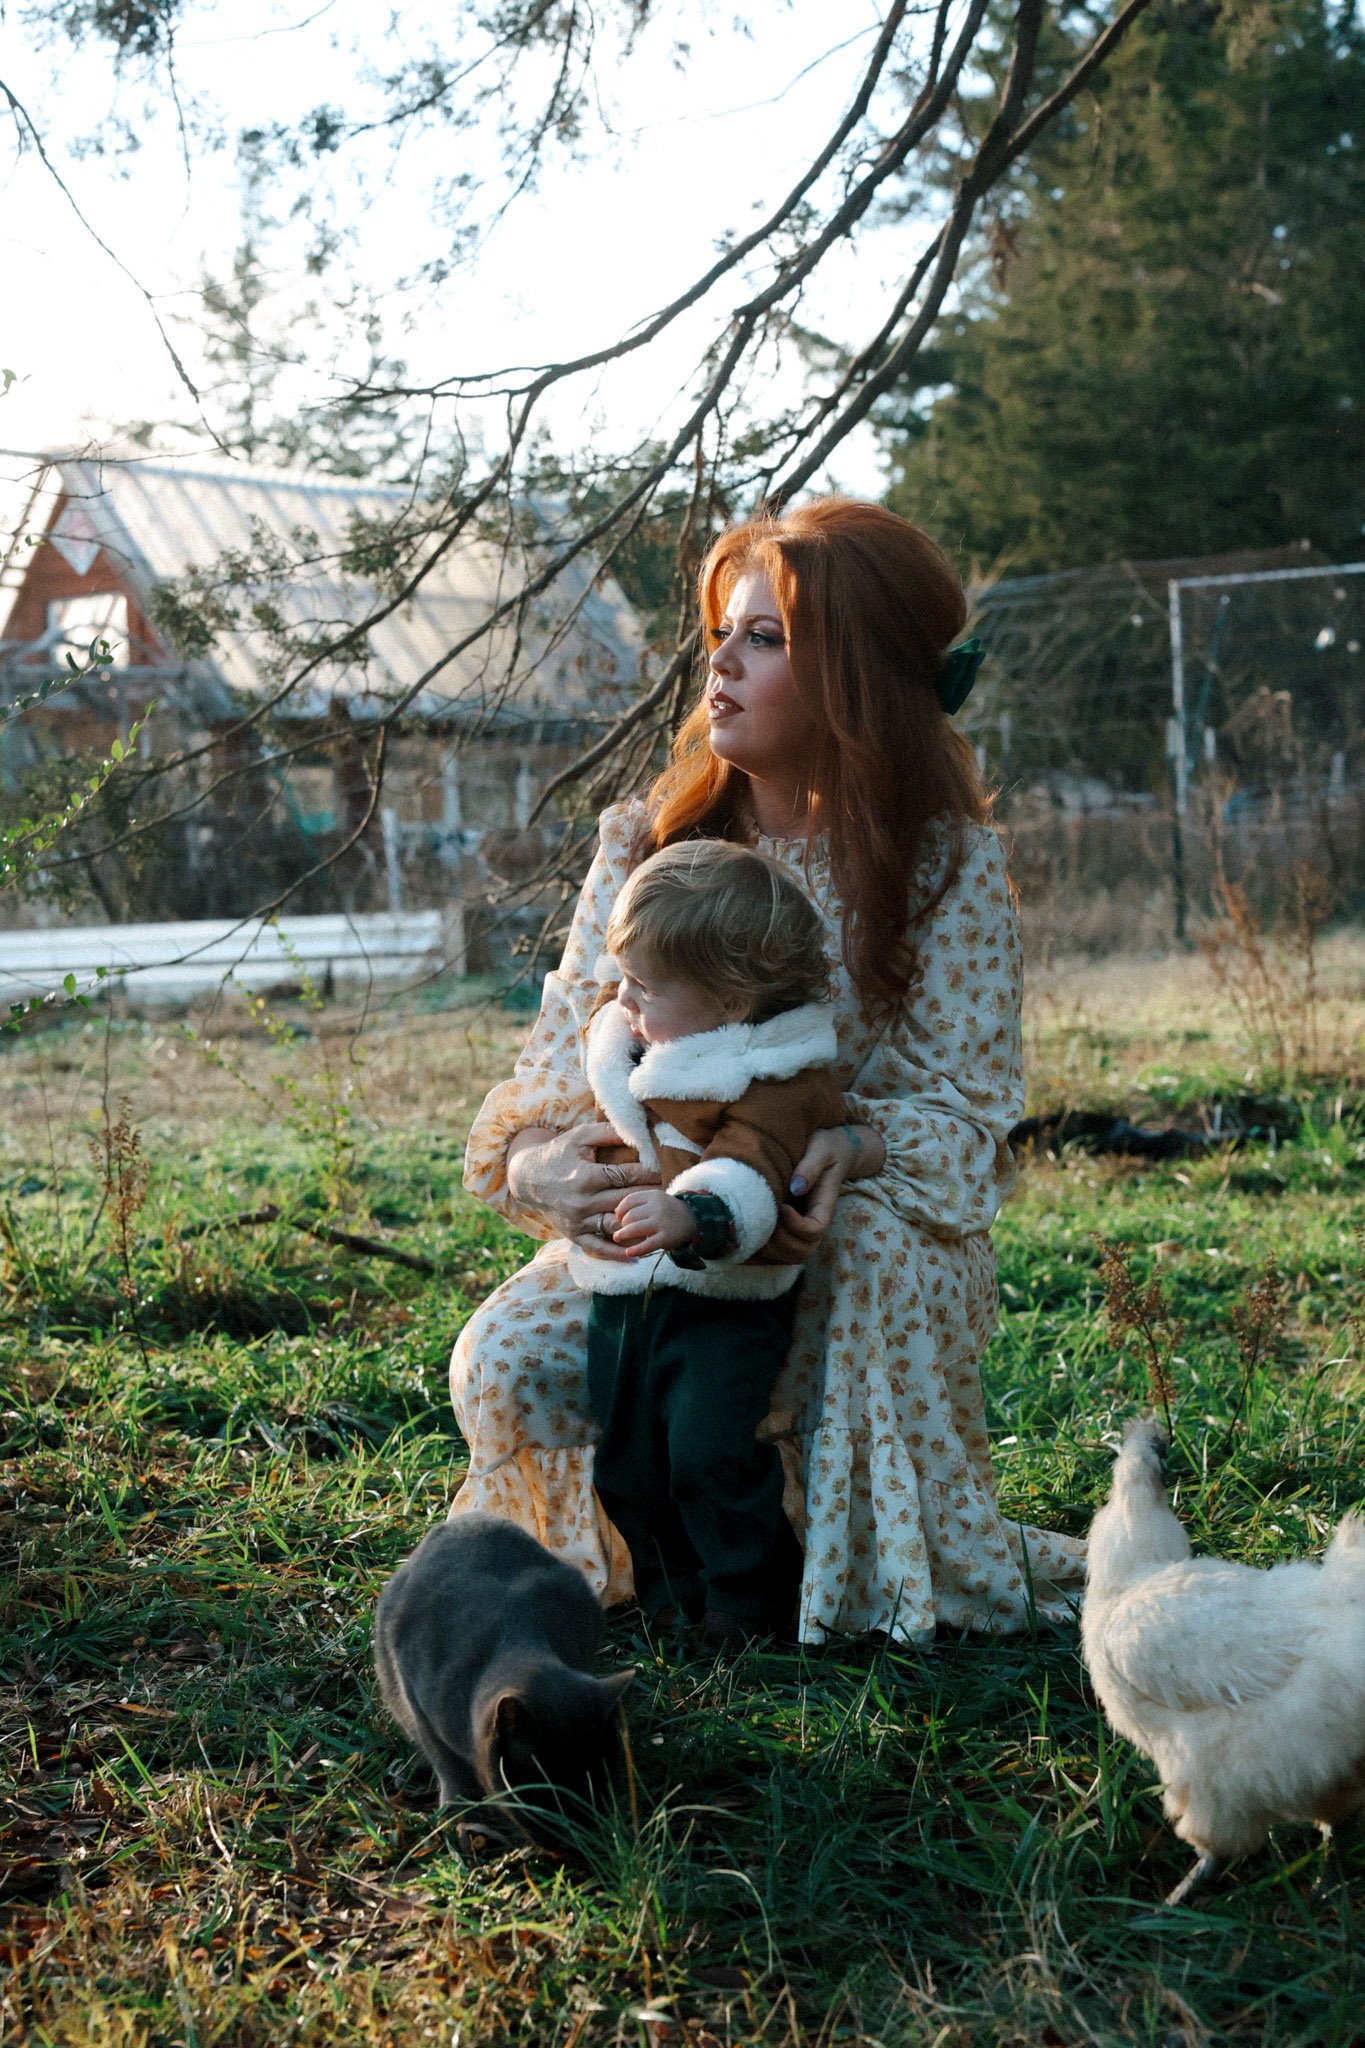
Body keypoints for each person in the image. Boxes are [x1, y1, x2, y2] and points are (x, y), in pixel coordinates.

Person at [451, 496, 1085, 1646]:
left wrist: (847, 1147)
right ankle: (638, 1557)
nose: (720, 668)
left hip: (845, 1222)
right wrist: (545, 1167)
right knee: (500, 1352)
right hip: (669, 1209)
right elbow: (558, 1067)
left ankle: (846, 1583)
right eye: (718, 637)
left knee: (870, 1260)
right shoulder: (648, 846)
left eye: (765, 639)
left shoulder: (948, 867)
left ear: (856, 674)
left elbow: (967, 1110)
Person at [576, 839, 847, 1647]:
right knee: (625, 1460)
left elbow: (752, 1168)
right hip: (626, 1296)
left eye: (644, 987)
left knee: (708, 1453)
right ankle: (669, 1593)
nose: (623, 1001)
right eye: (623, 979)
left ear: (729, 1003)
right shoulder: (645, 1045)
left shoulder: (774, 1075)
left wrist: (694, 1216)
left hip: (724, 1300)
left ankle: (747, 1598)